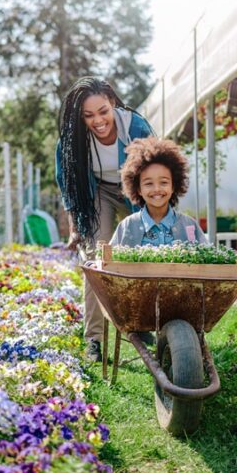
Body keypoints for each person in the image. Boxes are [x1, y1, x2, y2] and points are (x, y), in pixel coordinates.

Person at [55, 76, 154, 362]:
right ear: (80, 117)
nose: (98, 121)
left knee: (145, 249)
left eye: (102, 111)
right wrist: (75, 226)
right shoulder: (73, 141)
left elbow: (156, 169)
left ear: (112, 104)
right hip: (97, 191)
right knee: (97, 260)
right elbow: (68, 182)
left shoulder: (135, 127)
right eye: (88, 115)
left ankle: (140, 323)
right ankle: (94, 340)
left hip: (134, 188)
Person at [110, 137, 207, 248]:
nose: (156, 189)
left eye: (163, 182)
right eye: (148, 183)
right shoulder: (127, 226)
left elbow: (207, 260)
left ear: (173, 186)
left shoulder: (189, 225)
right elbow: (107, 261)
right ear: (138, 189)